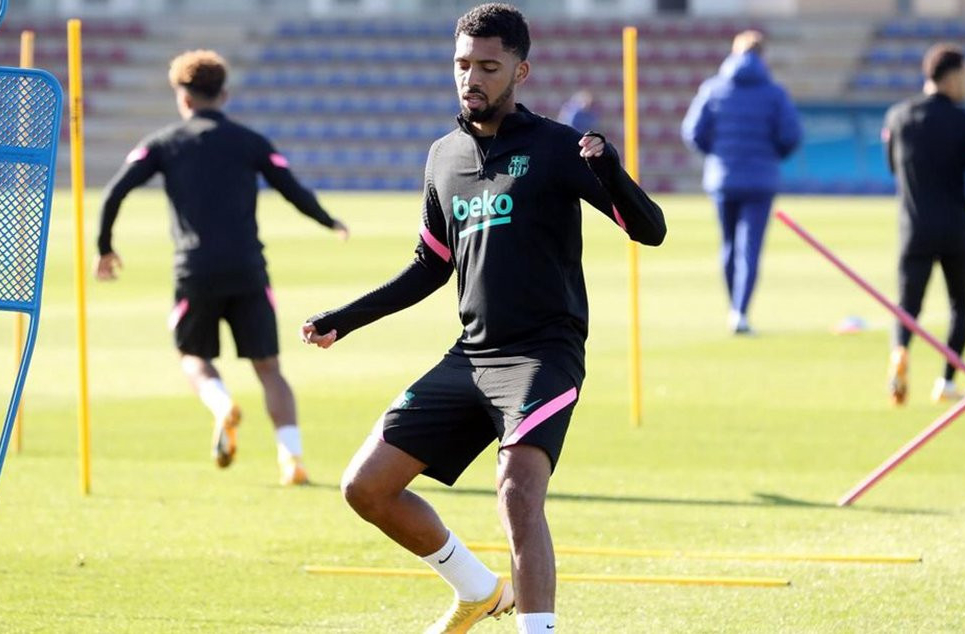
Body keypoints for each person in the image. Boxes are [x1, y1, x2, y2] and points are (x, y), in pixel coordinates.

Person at [301, 5, 666, 632]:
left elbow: (649, 230)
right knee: (365, 486)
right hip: (470, 355)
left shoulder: (555, 147)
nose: (473, 78)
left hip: (542, 357)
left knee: (517, 491)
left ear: (520, 71)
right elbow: (429, 266)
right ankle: (476, 589)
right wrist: (346, 318)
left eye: (489, 67)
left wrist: (608, 170)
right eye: (463, 65)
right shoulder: (443, 156)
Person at [95, 50, 349, 485]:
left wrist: (105, 247)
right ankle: (292, 460)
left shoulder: (162, 143)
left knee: (193, 356)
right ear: (224, 94)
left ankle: (220, 405)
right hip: (248, 268)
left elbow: (114, 191)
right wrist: (329, 221)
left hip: (194, 271)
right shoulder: (251, 141)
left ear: (183, 97)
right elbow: (291, 188)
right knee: (269, 368)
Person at [883, 43, 965, 405]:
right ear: (952, 77)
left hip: (914, 227)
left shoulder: (897, 117)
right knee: (960, 306)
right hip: (955, 229)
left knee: (907, 306)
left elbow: (892, 165)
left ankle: (900, 352)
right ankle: (947, 382)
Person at [681, 30, 801, 335]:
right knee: (750, 248)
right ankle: (741, 311)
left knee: (729, 245)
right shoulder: (774, 92)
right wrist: (771, 155)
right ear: (763, 55)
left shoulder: (714, 88)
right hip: (760, 180)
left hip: (723, 178)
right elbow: (791, 136)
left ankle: (733, 307)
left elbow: (693, 131)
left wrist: (718, 153)